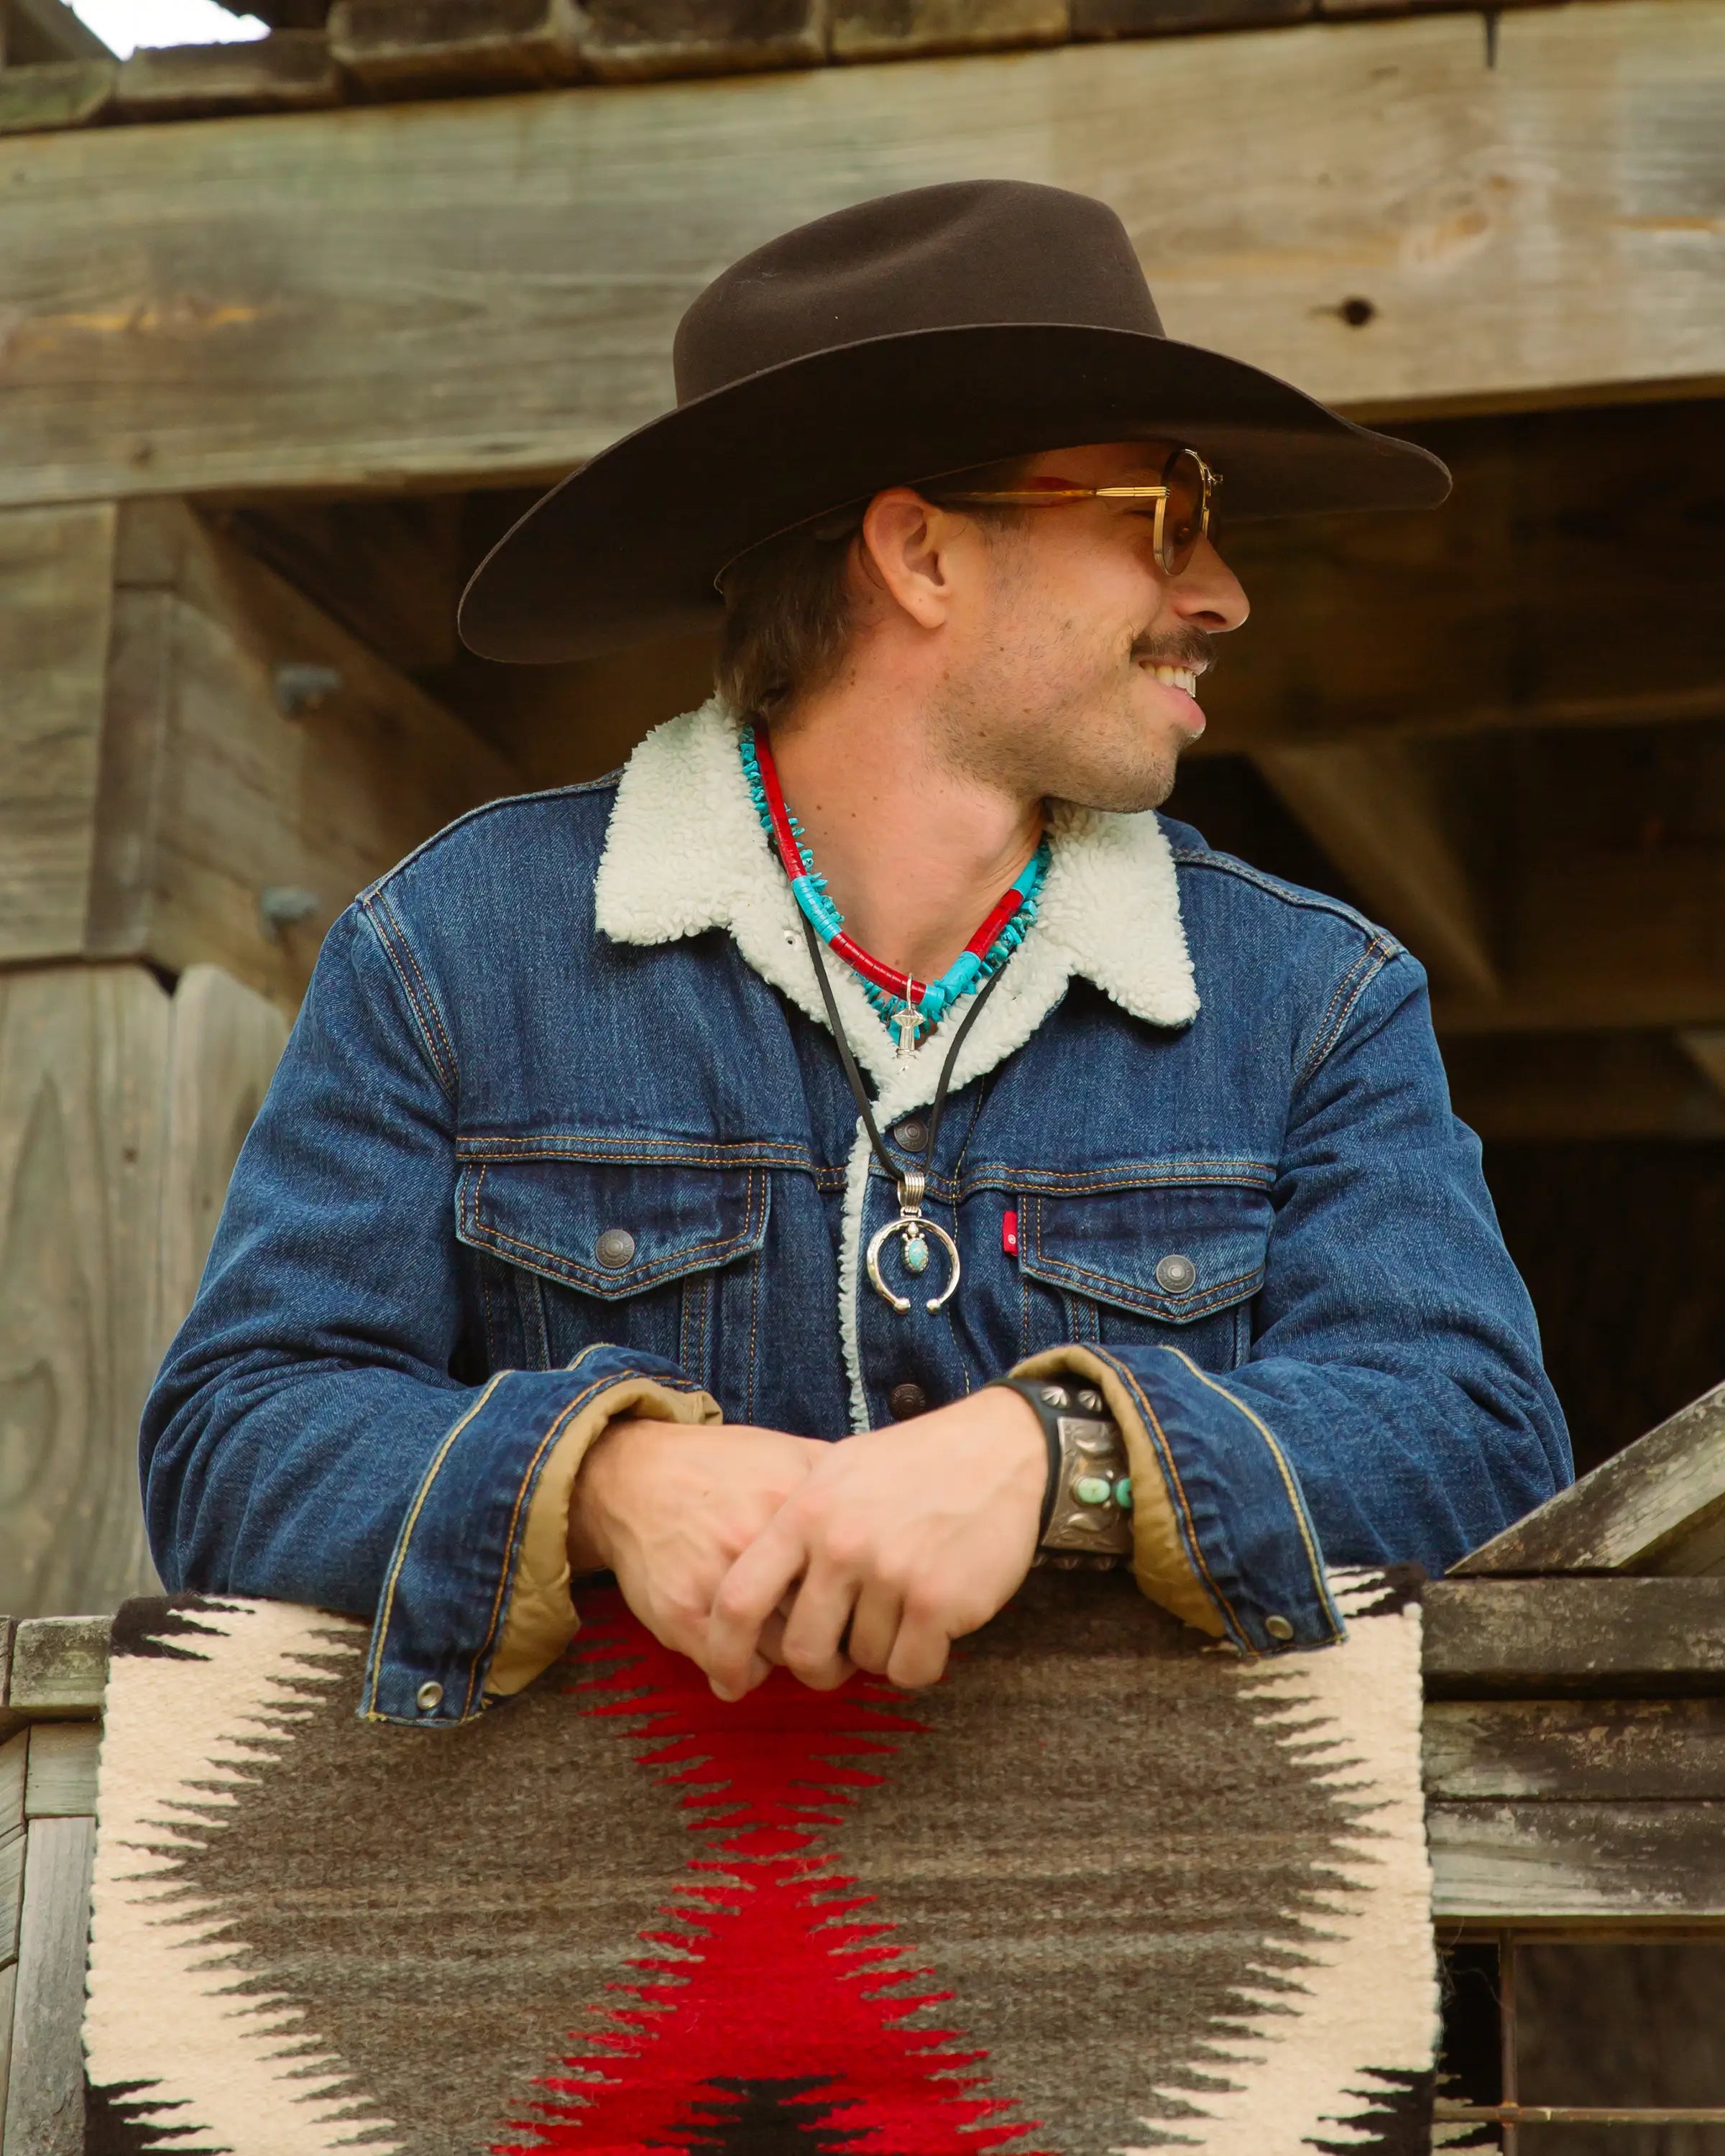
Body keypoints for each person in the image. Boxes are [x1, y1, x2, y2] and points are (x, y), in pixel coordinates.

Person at [141, 180, 1568, 1725]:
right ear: (923, 557)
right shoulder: (448, 954)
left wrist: (1060, 1461)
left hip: (1153, 1950)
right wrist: (605, 1480)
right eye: (1160, 516)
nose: (1221, 591)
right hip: (609, 1958)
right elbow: (237, 1437)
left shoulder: (1316, 1002)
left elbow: (1477, 1447)